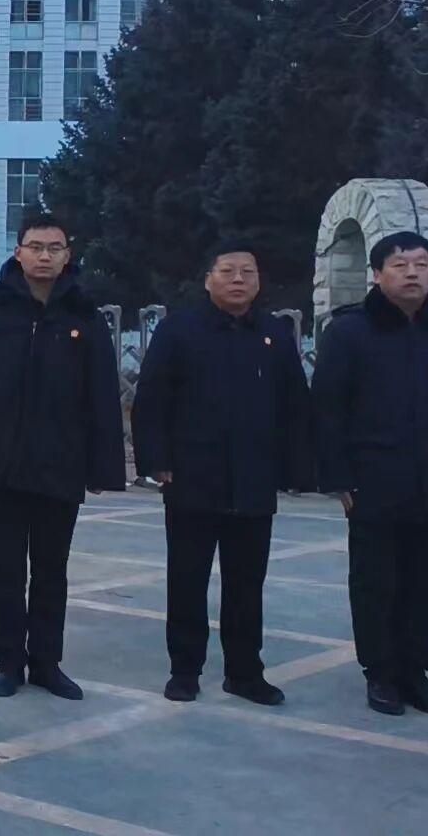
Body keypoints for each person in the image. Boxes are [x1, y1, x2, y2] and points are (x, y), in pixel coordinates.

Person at [0, 211, 125, 701]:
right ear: (18, 252)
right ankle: (8, 662)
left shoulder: (83, 314)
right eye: (36, 247)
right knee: (5, 568)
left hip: (61, 464)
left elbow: (102, 394)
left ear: (68, 255)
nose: (44, 256)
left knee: (52, 569)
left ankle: (47, 662)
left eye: (54, 248)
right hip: (2, 464)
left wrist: (102, 466)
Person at [314, 231, 428, 717]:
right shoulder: (350, 332)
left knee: (424, 582)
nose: (412, 273)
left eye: (421, 264)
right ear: (377, 274)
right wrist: (337, 478)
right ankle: (381, 674)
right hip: (373, 481)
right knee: (375, 582)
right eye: (399, 265)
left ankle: (415, 672)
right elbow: (328, 410)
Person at [131, 243, 308, 706]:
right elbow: (151, 400)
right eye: (228, 271)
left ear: (258, 281)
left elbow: (294, 405)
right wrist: (156, 460)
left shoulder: (273, 334)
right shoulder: (180, 330)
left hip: (254, 478)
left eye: (247, 272)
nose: (238, 279)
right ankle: (184, 670)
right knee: (187, 579)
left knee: (247, 583)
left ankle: (245, 672)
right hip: (192, 475)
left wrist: (293, 467)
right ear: (208, 279)